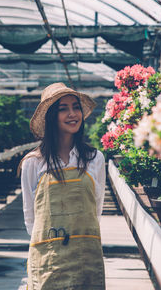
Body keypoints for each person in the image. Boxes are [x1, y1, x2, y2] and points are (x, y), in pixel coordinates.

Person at [20, 82, 106, 290]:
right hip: (49, 259)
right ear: (51, 117)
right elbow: (31, 217)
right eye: (63, 109)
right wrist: (50, 246)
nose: (72, 114)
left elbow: (96, 208)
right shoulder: (33, 163)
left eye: (76, 107)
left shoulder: (95, 159)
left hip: (86, 255)